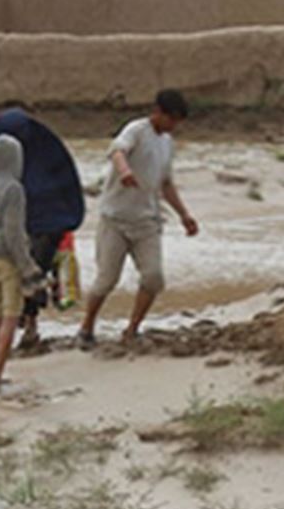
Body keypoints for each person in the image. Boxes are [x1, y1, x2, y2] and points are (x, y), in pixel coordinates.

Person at [77, 89, 200, 347]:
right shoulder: (136, 130)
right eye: (171, 119)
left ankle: (132, 329)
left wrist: (184, 215)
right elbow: (117, 151)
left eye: (177, 121)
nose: (174, 126)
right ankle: (86, 326)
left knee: (153, 278)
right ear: (158, 112)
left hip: (147, 221)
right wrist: (124, 172)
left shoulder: (167, 143)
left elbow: (166, 184)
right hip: (115, 219)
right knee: (106, 280)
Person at [0, 108, 85, 349]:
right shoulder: (22, 155)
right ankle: (16, 330)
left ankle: (23, 328)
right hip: (22, 229)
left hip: (42, 225)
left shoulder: (41, 152)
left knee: (27, 277)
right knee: (22, 279)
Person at [0, 134, 43, 393]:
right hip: (7, 262)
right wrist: (27, 267)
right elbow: (13, 233)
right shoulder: (14, 189)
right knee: (10, 318)